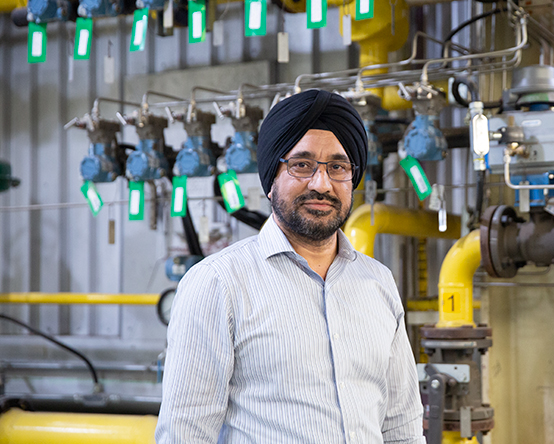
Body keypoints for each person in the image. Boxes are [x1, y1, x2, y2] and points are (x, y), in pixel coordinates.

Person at [155, 89, 425, 443]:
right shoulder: (218, 283)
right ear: (271, 179)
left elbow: (401, 427)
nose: (322, 184)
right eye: (302, 165)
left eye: (338, 167)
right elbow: (185, 434)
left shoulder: (378, 282)